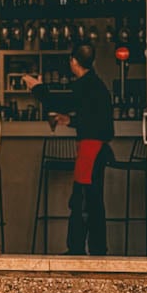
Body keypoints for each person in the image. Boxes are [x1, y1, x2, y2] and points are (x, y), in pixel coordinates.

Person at [24, 41, 114, 256]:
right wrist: (72, 121)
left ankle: (76, 249)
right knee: (92, 201)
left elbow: (60, 101)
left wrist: (37, 88)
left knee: (81, 201)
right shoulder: (97, 86)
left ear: (73, 61)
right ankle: (97, 249)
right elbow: (98, 121)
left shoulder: (84, 85)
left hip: (90, 150)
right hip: (97, 148)